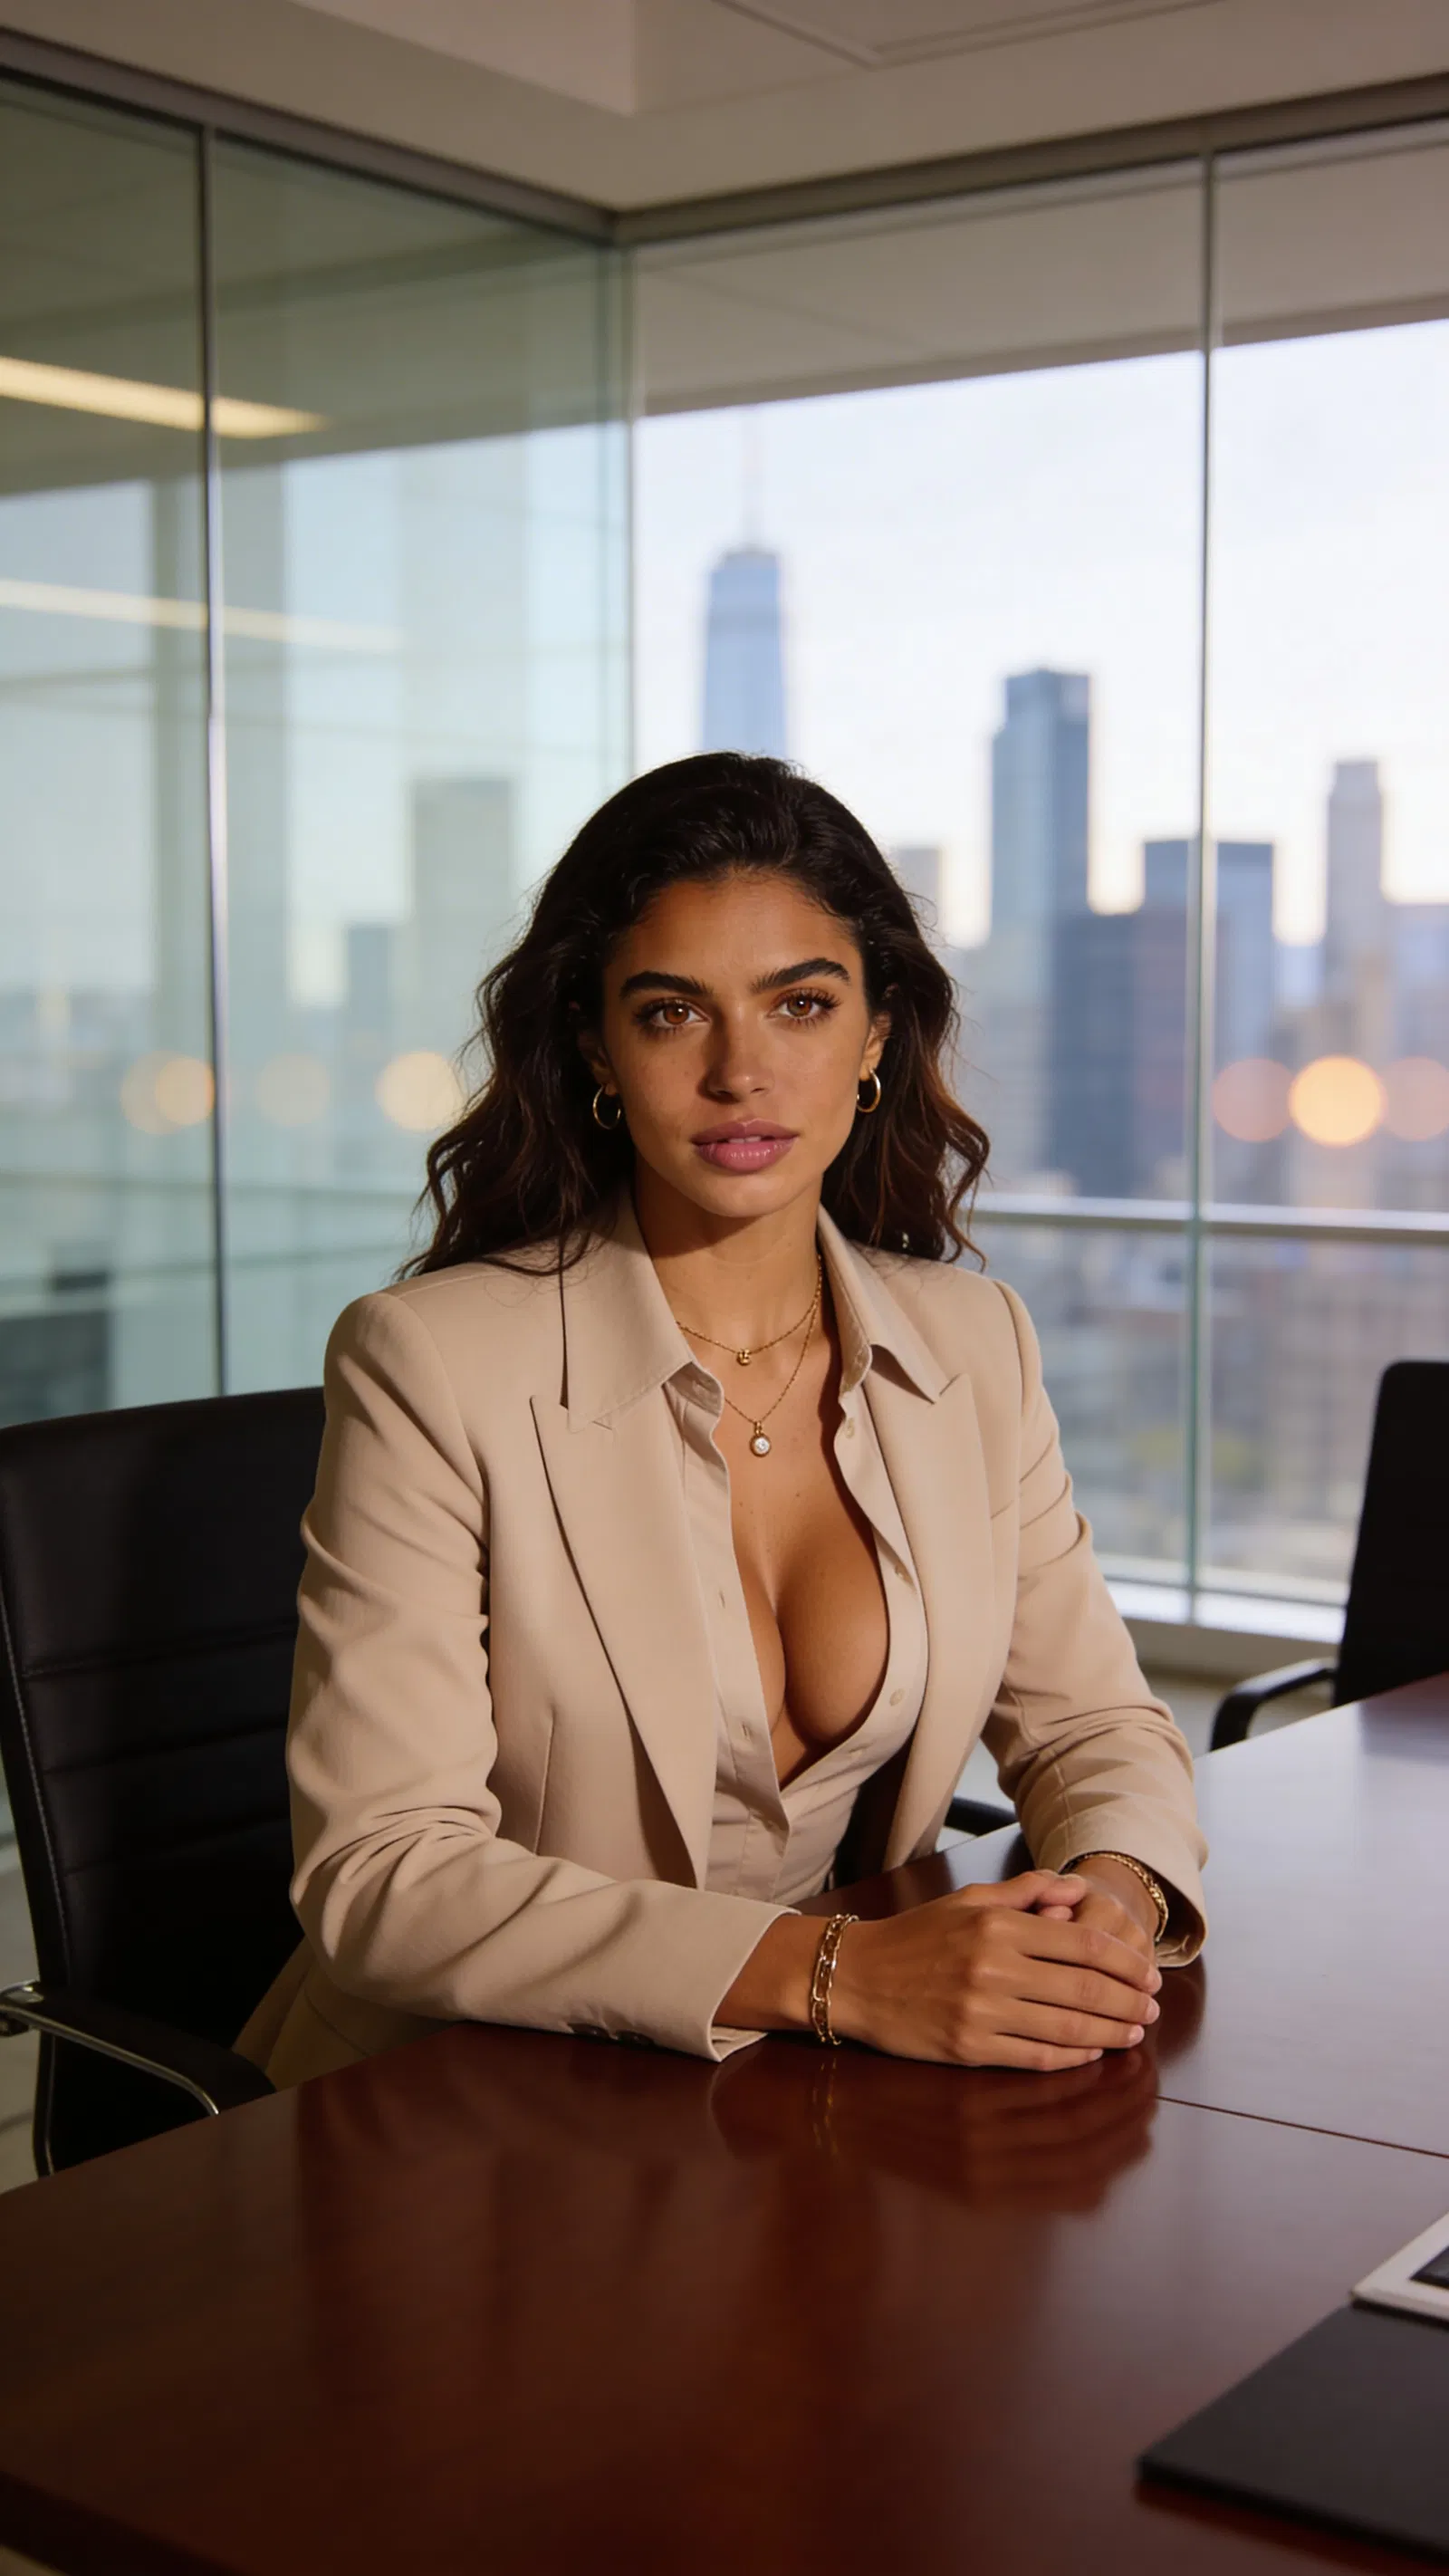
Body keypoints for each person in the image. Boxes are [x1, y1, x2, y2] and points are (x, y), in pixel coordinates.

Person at [238, 754, 1204, 2086]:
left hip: (797, 2097)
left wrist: (1109, 1903)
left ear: (874, 1037)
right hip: (464, 2104)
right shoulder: (431, 1363)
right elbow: (385, 1875)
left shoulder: (974, 1346)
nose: (742, 1071)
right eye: (672, 1012)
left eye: (800, 1005)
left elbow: (1095, 1726)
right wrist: (839, 1973)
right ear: (596, 1048)